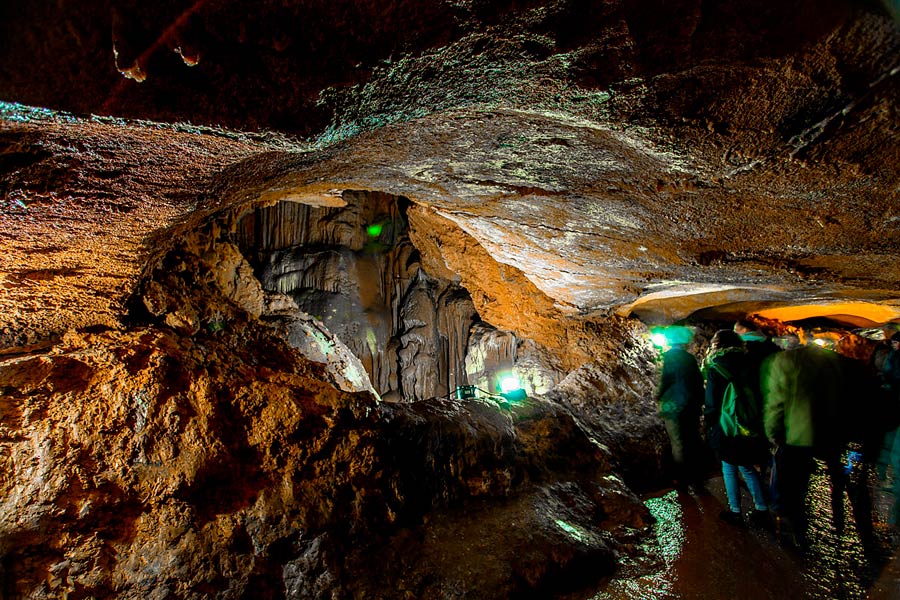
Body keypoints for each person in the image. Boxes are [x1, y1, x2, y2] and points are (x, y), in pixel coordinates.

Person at [762, 338, 844, 548]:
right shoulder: (830, 361)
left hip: (796, 434)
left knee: (792, 485)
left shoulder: (784, 362)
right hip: (829, 430)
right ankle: (839, 521)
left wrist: (772, 432)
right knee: (829, 480)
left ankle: (795, 530)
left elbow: (776, 402)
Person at [705, 329, 770, 526]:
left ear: (717, 344)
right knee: (747, 466)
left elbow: (712, 402)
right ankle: (761, 508)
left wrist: (710, 424)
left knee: (728, 467)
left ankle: (735, 511)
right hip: (749, 423)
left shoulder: (716, 367)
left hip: (727, 425)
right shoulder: (751, 363)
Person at [656, 326, 705, 490]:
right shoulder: (689, 358)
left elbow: (665, 380)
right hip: (691, 406)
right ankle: (698, 480)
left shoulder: (668, 357)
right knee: (693, 440)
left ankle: (682, 480)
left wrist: (658, 396)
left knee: (678, 444)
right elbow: (698, 381)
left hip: (674, 407)